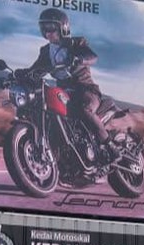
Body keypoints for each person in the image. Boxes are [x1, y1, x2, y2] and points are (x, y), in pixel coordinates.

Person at [22, 8, 119, 165]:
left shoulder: (76, 43)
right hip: (64, 93)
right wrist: (21, 74)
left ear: (63, 27)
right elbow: (36, 69)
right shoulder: (46, 51)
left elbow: (92, 56)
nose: (47, 32)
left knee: (84, 109)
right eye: (44, 28)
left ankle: (110, 146)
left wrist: (79, 58)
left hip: (86, 89)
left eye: (51, 27)